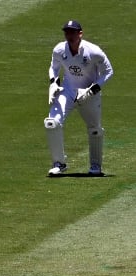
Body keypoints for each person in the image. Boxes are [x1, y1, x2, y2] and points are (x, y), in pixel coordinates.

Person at [44, 20, 114, 176]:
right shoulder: (59, 49)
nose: (70, 35)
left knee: (94, 129)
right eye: (67, 32)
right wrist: (53, 83)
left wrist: (92, 89)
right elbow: (54, 68)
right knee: (51, 123)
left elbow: (108, 72)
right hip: (68, 90)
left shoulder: (94, 51)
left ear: (80, 34)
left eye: (73, 32)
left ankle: (95, 166)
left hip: (89, 93)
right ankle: (59, 163)